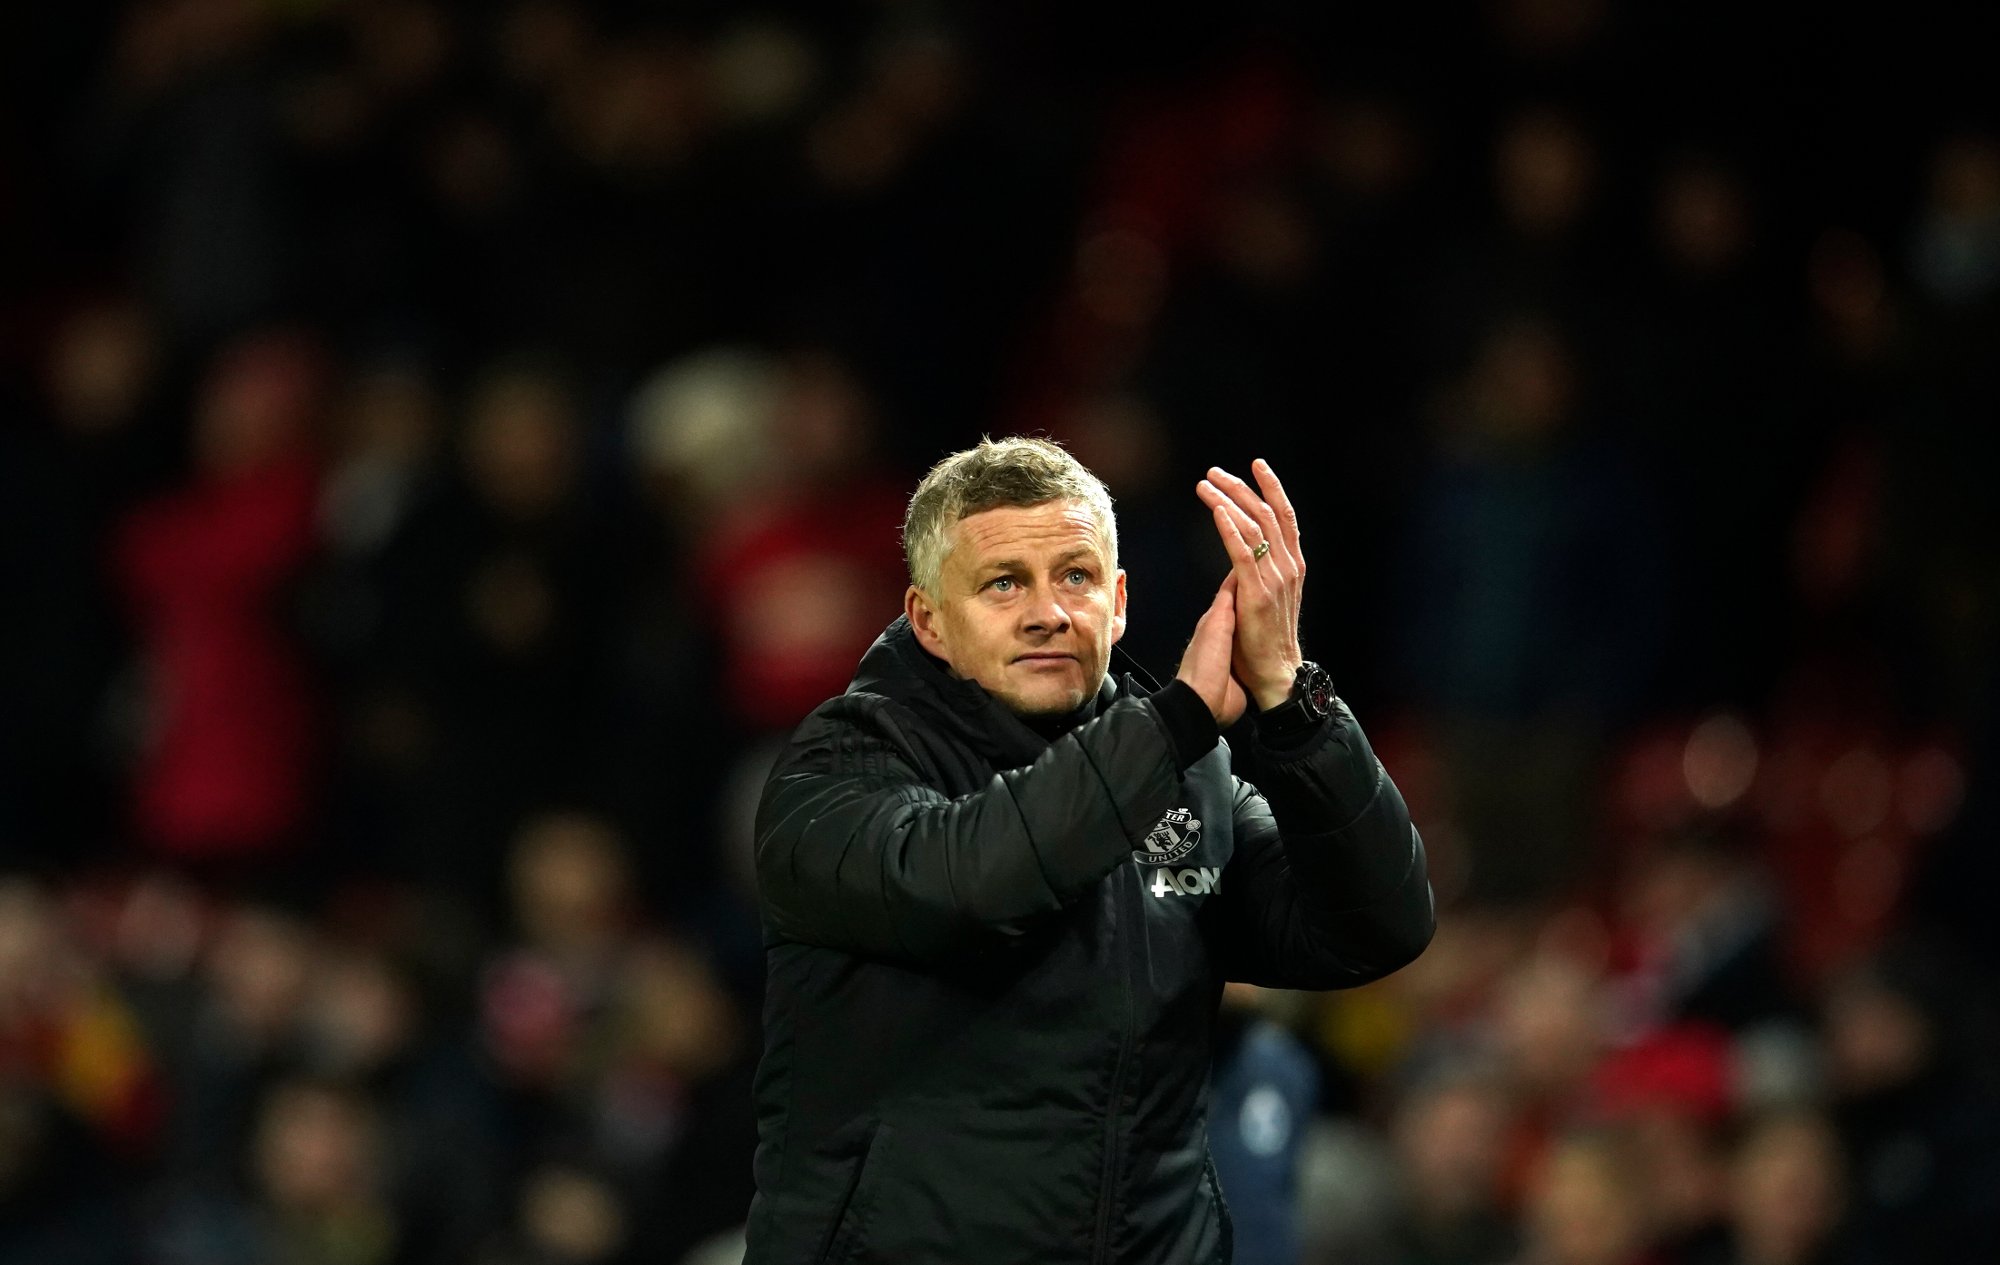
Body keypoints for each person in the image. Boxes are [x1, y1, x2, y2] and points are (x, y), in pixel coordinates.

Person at [745, 437, 1435, 1264]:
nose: (1049, 612)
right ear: (928, 620)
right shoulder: (841, 766)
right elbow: (975, 882)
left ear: (1119, 602)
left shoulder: (1190, 777)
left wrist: (1294, 702)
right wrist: (1173, 724)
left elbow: (1374, 927)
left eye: (1075, 576)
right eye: (1004, 583)